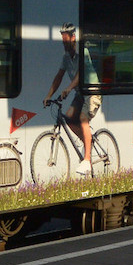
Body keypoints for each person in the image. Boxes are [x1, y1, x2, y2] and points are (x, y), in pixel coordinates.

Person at [43, 22, 101, 176]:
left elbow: (80, 75)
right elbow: (58, 77)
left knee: (82, 119)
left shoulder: (84, 52)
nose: (63, 42)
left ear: (73, 37)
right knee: (68, 118)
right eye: (62, 38)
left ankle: (87, 160)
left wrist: (68, 89)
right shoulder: (66, 57)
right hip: (80, 93)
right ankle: (88, 141)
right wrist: (49, 95)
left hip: (92, 91)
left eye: (65, 39)